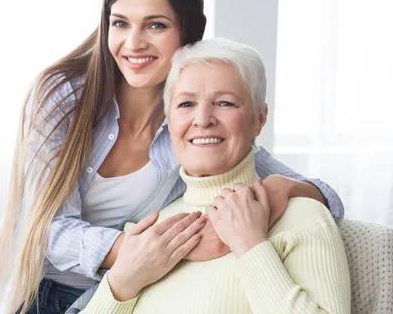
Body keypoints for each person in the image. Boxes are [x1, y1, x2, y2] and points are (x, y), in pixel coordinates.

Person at [0, 0, 344, 314]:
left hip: (90, 302)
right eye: (120, 23)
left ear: (191, 29)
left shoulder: (190, 126)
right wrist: (137, 251)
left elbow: (329, 198)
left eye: (155, 25)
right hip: (6, 294)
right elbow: (40, 226)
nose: (133, 44)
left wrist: (284, 188)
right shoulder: (62, 96)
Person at [81, 38, 351, 314]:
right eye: (186, 104)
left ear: (259, 118)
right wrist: (121, 284)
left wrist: (251, 246)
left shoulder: (302, 218)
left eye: (225, 103)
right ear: (169, 120)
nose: (202, 119)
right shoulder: (150, 228)